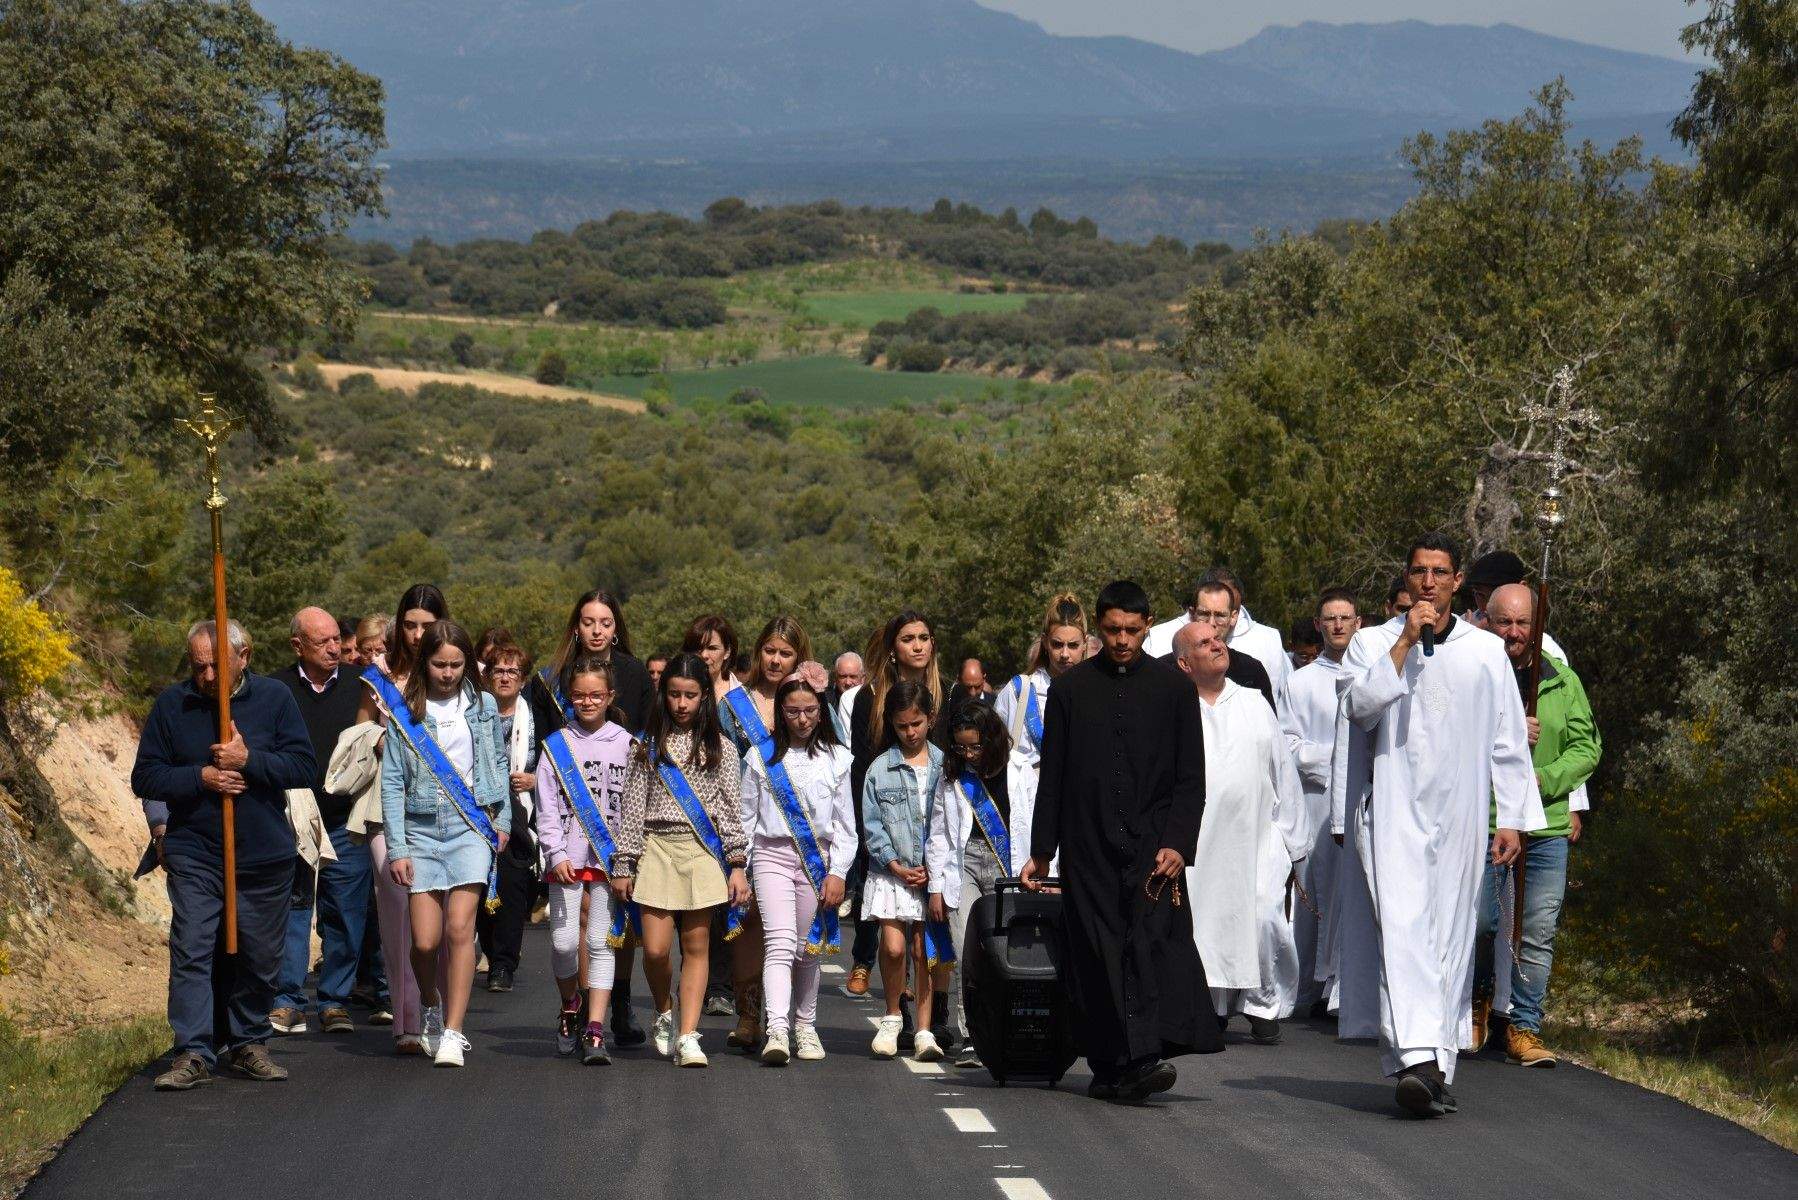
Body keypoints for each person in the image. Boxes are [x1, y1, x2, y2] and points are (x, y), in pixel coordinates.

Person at [1339, 534, 1544, 1117]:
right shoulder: (1373, 642)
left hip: (1461, 812)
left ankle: (1437, 1066)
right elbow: (1359, 708)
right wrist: (1405, 641)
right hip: (1394, 806)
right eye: (1418, 571)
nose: (1428, 582)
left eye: (1440, 572)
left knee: (1451, 936)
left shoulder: (1485, 651)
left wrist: (1513, 819)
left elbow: (1508, 740)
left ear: (1457, 582)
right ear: (1406, 579)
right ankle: (1416, 1062)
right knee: (1403, 931)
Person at [1021, 580, 1218, 1104]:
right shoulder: (1070, 691)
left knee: (1149, 946)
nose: (1123, 640)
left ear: (1148, 626)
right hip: (1088, 847)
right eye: (1112, 630)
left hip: (1153, 849)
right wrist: (1042, 851)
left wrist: (1178, 842)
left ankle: (1142, 1058)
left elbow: (1190, 777)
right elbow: (1053, 776)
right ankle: (1111, 1066)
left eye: (1132, 630)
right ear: (1099, 629)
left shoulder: (1174, 689)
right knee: (1098, 954)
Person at [135, 619, 316, 1091]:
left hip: (263, 855)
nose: (208, 676)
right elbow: (146, 776)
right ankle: (194, 1051)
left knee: (259, 957)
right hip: (196, 853)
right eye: (199, 667)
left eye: (216, 665)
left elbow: (303, 767)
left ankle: (248, 1042)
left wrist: (247, 760)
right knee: (192, 949)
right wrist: (202, 777)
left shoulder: (275, 698)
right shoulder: (173, 704)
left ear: (244, 656)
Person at [1472, 584, 1600, 1068]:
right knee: (1481, 923)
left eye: (1523, 622)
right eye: (1504, 621)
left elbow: (1587, 748)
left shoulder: (1561, 681)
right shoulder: (1476, 675)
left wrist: (1540, 779)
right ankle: (1477, 1002)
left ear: (1538, 625)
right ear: (1486, 622)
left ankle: (1524, 1027)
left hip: (1544, 824)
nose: (1514, 632)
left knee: (1537, 930)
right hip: (1486, 820)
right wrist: (1502, 734)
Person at [378, 619, 513, 1068]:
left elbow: (497, 762)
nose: (449, 673)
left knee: (459, 929)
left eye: (456, 664)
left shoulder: (484, 705)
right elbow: (392, 781)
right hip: (420, 831)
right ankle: (430, 1005)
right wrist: (397, 847)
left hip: (470, 826)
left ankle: (454, 1031)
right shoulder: (406, 711)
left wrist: (503, 820)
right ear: (425, 663)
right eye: (440, 664)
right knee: (424, 942)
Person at [611, 653, 751, 1068]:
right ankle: (664, 1010)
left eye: (690, 695)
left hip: (702, 850)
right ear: (663, 695)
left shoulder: (723, 748)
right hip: (655, 847)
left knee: (696, 945)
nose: (682, 703)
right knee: (655, 950)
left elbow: (730, 809)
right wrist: (624, 864)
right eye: (674, 694)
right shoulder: (646, 746)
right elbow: (632, 808)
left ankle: (689, 1035)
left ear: (704, 696)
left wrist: (737, 863)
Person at [1174, 622, 1310, 1044]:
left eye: (1218, 638)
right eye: (1204, 643)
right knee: (1208, 921)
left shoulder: (1254, 702)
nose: (1217, 644)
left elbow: (1283, 773)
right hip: (1202, 840)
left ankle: (1262, 1003)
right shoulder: (1176, 709)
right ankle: (1212, 1006)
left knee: (1264, 914)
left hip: (1259, 837)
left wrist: (1296, 847)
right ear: (1185, 663)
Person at [739, 677, 854, 1065]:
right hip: (770, 855)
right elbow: (746, 818)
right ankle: (776, 1029)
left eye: (809, 711)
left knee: (807, 948)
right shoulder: (760, 757)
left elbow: (846, 824)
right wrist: (739, 868)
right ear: (780, 713)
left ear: (821, 712)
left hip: (817, 860)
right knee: (780, 941)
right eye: (792, 711)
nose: (802, 719)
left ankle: (805, 1026)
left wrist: (839, 872)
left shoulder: (837, 758)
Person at [356, 583, 447, 1056]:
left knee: (440, 917)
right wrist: (379, 739)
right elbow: (358, 729)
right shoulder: (380, 675)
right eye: (409, 625)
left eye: (426, 626)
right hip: (385, 806)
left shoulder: (454, 671)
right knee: (396, 909)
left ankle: (439, 1012)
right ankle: (407, 1019)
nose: (416, 635)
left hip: (445, 809)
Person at [270, 607, 370, 1038]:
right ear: (298, 646)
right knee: (293, 910)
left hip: (346, 821)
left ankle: (334, 1001)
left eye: (336, 639)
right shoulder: (275, 689)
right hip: (293, 819)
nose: (334, 648)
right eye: (322, 641)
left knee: (345, 912)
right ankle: (287, 1000)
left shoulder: (360, 685)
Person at [716, 615, 813, 1050]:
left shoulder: (813, 702)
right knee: (747, 919)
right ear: (758, 653)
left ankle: (789, 1018)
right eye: (770, 651)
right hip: (743, 820)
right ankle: (748, 1013)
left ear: (799, 657)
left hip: (797, 831)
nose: (776, 660)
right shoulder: (733, 705)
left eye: (786, 653)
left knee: (788, 930)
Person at [845, 610, 948, 1013]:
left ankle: (932, 1012)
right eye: (908, 639)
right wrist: (867, 834)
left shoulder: (947, 692)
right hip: (886, 818)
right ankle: (870, 968)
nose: (917, 646)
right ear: (893, 648)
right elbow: (861, 768)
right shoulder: (869, 697)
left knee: (928, 935)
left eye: (924, 637)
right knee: (893, 935)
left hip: (933, 821)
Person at [536, 655, 635, 1065]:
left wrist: (627, 861)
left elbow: (634, 806)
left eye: (596, 695)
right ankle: (570, 1004)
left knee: (598, 942)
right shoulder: (556, 745)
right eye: (579, 695)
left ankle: (595, 1028)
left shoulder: (627, 743)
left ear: (610, 696)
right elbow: (545, 805)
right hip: (566, 858)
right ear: (569, 697)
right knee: (563, 943)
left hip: (609, 860)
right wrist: (554, 851)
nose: (588, 702)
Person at [1278, 588, 1361, 1017]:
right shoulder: (1300, 682)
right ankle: (1307, 987)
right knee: (1313, 892)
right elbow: (1286, 743)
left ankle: (1346, 990)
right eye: (1330, 618)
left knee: (1354, 893)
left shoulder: (1371, 675)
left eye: (1345, 617)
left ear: (1359, 622)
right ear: (1318, 624)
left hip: (1360, 801)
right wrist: (1333, 760)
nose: (1338, 625)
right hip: (1316, 800)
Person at [861, 681, 949, 1061]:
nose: (910, 732)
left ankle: (925, 1030)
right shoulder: (879, 769)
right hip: (891, 871)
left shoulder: (945, 765)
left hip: (931, 874)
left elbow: (950, 822)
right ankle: (893, 1015)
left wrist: (936, 867)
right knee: (894, 947)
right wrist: (894, 864)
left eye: (916, 724)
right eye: (902, 726)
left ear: (930, 719)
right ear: (891, 725)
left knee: (922, 949)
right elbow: (872, 824)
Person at [926, 702, 1013, 1069]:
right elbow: (938, 834)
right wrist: (935, 885)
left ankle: (1005, 1032)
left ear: (990, 739)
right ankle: (972, 1036)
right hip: (962, 865)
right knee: (966, 950)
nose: (968, 754)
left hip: (1006, 865)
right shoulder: (952, 775)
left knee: (1004, 953)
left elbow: (1028, 824)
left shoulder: (1018, 770)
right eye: (961, 747)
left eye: (975, 747)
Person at [992, 592, 1088, 875]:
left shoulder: (1096, 694)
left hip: (1079, 806)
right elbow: (993, 753)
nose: (1065, 654)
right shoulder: (1019, 691)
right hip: (1028, 807)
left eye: (1073, 645)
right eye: (1057, 644)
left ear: (1085, 643)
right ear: (1045, 642)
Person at [475, 636, 539, 994]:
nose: (504, 677)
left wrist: (534, 779)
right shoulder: (475, 714)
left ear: (523, 678)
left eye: (512, 672)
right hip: (479, 807)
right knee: (481, 884)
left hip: (521, 811)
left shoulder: (535, 718)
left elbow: (555, 761)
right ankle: (488, 948)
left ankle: (504, 964)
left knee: (513, 886)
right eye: (498, 670)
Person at [1145, 568, 1289, 699]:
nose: (1211, 623)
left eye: (1220, 615)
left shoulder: (1252, 671)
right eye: (1204, 614)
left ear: (1233, 617)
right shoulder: (1163, 666)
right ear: (1192, 613)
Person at [528, 589, 656, 736]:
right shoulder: (549, 681)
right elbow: (544, 744)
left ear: (616, 629)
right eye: (588, 623)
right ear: (576, 628)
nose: (597, 631)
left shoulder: (637, 673)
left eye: (606, 624)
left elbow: (649, 733)